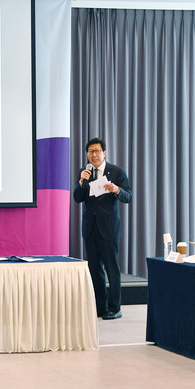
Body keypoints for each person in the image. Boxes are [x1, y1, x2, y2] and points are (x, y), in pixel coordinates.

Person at [73, 137, 132, 320]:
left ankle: (115, 308)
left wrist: (116, 190)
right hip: (90, 229)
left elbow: (128, 196)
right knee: (94, 269)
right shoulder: (85, 172)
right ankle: (100, 307)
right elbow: (77, 198)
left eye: (97, 151)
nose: (94, 155)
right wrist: (81, 182)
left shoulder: (117, 172)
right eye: (91, 151)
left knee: (111, 268)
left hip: (108, 229)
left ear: (104, 153)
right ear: (87, 154)